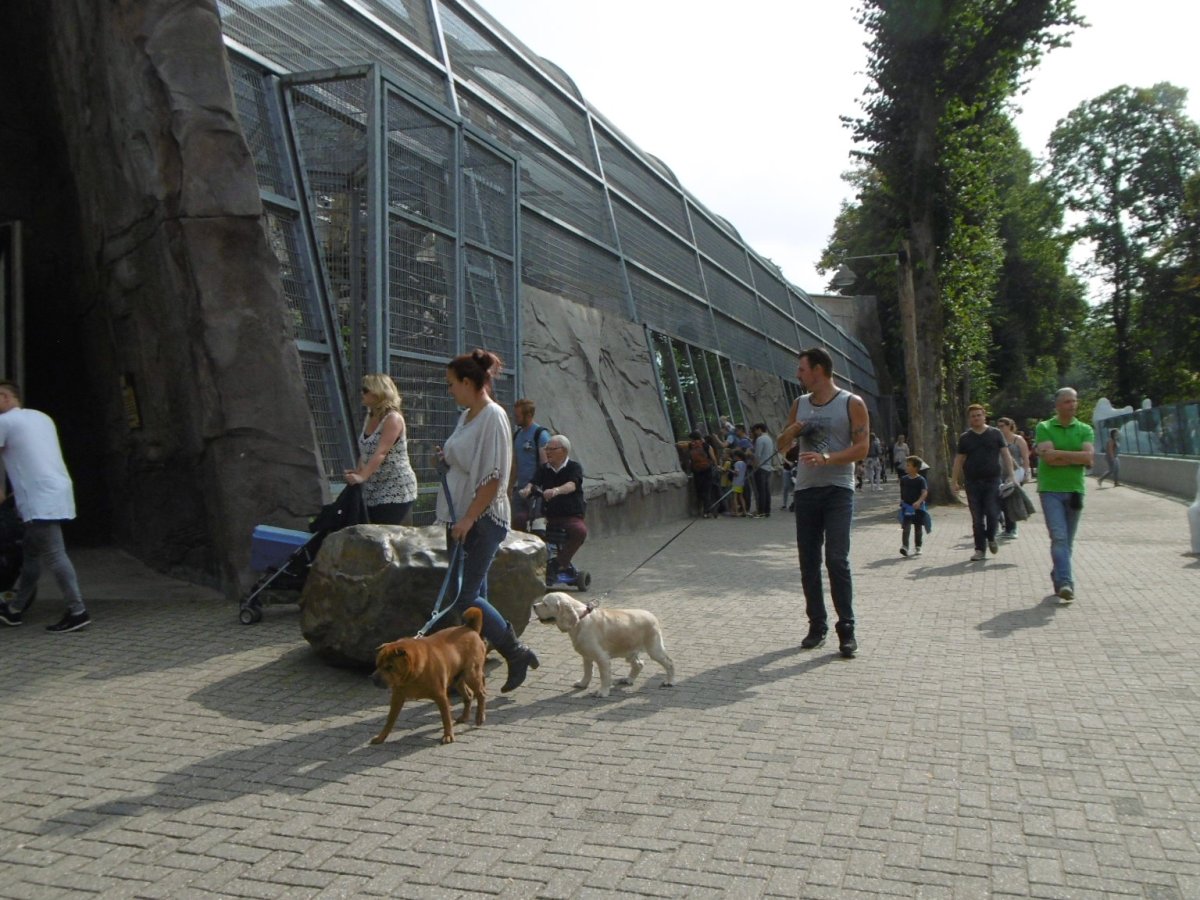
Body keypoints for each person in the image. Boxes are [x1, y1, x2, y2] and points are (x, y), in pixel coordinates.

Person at [432, 349, 539, 692]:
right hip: (462, 516)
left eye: (452, 384)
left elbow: (493, 478)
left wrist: (467, 519)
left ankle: (515, 651)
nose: (449, 390)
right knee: (475, 593)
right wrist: (446, 456)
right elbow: (465, 458)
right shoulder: (466, 416)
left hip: (480, 519)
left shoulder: (493, 416)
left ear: (468, 382)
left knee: (463, 597)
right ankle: (474, 662)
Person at [776, 347, 870, 658]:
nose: (798, 375)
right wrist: (794, 430)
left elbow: (862, 448)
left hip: (838, 490)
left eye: (801, 369)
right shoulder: (799, 404)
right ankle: (817, 625)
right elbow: (781, 446)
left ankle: (847, 628)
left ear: (818, 370)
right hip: (805, 491)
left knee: (836, 559)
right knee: (808, 562)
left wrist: (827, 457)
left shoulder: (851, 403)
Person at [0, 381, 90, 632]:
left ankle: (78, 611)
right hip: (56, 489)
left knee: (54, 554)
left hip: (37, 497)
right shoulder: (42, 418)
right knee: (31, 551)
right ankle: (15, 609)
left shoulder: (5, 422)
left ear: (4, 397)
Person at [1035, 388, 1094, 603]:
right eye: (1068, 401)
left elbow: (1089, 458)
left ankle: (1058, 574)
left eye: (1074, 401)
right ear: (1058, 405)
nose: (1072, 405)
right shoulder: (1045, 427)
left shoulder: (1085, 429)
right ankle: (1066, 583)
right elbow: (1048, 460)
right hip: (1051, 490)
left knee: (1067, 541)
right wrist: (1075, 458)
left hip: (1075, 490)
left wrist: (1060, 454)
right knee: (1058, 536)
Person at [343, 374, 418, 524]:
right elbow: (366, 449)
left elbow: (381, 451)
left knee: (390, 537)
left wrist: (362, 477)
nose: (361, 394)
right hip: (374, 489)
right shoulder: (370, 416)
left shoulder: (392, 419)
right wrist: (358, 471)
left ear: (378, 392)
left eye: (365, 390)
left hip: (395, 489)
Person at [952, 405, 1014, 562]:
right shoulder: (965, 438)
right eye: (973, 416)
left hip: (993, 480)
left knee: (993, 512)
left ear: (984, 416)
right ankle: (980, 549)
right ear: (969, 418)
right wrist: (954, 481)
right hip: (972, 482)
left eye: (979, 415)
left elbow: (1006, 455)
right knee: (977, 518)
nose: (976, 418)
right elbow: (959, 460)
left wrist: (1012, 475)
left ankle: (991, 537)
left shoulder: (995, 433)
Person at [521, 434, 587, 577]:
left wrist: (556, 491)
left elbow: (572, 485)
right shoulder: (544, 469)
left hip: (570, 515)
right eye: (546, 449)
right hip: (548, 515)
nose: (547, 452)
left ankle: (558, 563)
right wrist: (527, 490)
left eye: (551, 449)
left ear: (563, 451)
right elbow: (533, 482)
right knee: (521, 520)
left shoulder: (574, 467)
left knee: (580, 531)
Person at [509, 398, 550, 531]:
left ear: (529, 415)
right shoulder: (517, 436)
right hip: (520, 490)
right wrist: (509, 487)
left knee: (537, 527)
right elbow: (515, 464)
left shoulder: (540, 435)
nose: (516, 418)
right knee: (518, 523)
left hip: (536, 491)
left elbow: (546, 466)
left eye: (518, 416)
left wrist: (536, 486)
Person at [997, 417, 1030, 539]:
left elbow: (1025, 457)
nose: (1000, 428)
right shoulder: (998, 439)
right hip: (1000, 474)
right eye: (998, 426)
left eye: (1002, 426)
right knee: (1000, 501)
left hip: (1015, 474)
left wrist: (1026, 473)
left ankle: (1012, 529)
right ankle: (1005, 526)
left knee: (1010, 501)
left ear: (1009, 426)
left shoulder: (1018, 439)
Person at [677, 430, 718, 518]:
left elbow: (679, 445)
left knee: (700, 491)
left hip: (697, 471)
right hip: (707, 470)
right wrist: (715, 467)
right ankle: (708, 511)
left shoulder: (691, 445)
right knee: (708, 491)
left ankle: (704, 510)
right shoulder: (707, 446)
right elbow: (714, 459)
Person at [898, 455, 929, 557]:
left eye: (908, 465)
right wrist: (902, 501)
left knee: (918, 528)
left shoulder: (921, 480)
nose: (906, 467)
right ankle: (905, 547)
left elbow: (924, 492)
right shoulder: (904, 479)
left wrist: (919, 502)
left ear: (915, 468)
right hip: (907, 507)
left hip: (918, 507)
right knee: (906, 527)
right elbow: (902, 491)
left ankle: (918, 546)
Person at [750, 423, 775, 518]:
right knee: (766, 490)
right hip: (768, 467)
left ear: (759, 429)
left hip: (760, 467)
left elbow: (757, 455)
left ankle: (761, 511)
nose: (755, 433)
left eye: (755, 430)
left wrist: (755, 466)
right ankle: (767, 510)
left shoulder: (760, 439)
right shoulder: (769, 439)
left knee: (761, 491)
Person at [780, 443, 799, 512]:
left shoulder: (798, 447)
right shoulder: (787, 446)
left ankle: (794, 504)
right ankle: (784, 504)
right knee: (786, 486)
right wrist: (788, 462)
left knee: (795, 487)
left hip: (795, 469)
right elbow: (783, 457)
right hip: (787, 469)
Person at [730, 450, 749, 517]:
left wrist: (731, 471)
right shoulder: (744, 463)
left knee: (734, 497)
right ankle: (744, 511)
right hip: (741, 482)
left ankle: (736, 512)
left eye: (734, 456)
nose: (733, 457)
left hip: (736, 482)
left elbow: (736, 473)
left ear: (737, 456)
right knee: (741, 497)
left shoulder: (737, 463)